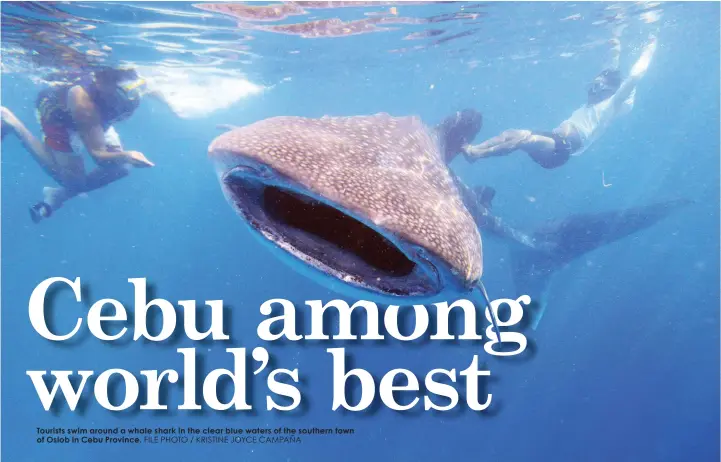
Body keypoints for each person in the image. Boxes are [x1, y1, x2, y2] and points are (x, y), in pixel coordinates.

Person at [462, 34, 657, 169]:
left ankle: (476, 155)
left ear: (608, 93)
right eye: (591, 85)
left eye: (596, 88)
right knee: (511, 134)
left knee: (522, 140)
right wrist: (616, 49)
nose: (591, 90)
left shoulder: (611, 105)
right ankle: (475, 150)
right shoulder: (598, 97)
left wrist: (649, 51)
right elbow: (609, 70)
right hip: (554, 139)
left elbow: (635, 77)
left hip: (561, 150)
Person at [1, 66, 156, 223]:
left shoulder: (128, 88)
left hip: (96, 120)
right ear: (100, 81)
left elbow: (152, 88)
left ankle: (59, 195)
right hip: (60, 118)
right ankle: (11, 122)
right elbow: (98, 155)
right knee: (73, 182)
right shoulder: (84, 103)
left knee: (121, 169)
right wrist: (126, 155)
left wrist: (174, 103)